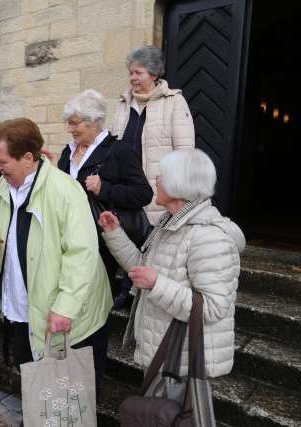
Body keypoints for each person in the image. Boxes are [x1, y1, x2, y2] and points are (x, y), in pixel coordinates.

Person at [0, 118, 113, 395]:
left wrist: (65, 306)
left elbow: (82, 254)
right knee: (37, 382)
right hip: (25, 306)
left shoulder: (65, 191)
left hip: (65, 311)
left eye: (2, 161)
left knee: (72, 394)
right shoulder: (5, 183)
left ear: (28, 158)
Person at [99, 148, 244, 379]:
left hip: (184, 363)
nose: (156, 181)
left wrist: (157, 284)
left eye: (162, 176)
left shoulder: (209, 237)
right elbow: (141, 268)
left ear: (179, 184)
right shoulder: (169, 225)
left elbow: (212, 308)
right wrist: (114, 233)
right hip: (163, 353)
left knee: (170, 415)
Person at [57, 89, 153, 304]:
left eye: (75, 123)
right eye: (69, 123)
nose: (70, 129)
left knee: (96, 301)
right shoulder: (67, 152)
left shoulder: (119, 151)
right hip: (70, 237)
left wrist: (105, 190)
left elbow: (143, 194)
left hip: (101, 242)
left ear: (93, 121)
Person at [110, 45, 195, 224]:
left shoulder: (174, 102)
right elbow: (112, 147)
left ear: (154, 74)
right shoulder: (123, 105)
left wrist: (173, 191)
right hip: (125, 191)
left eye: (138, 73)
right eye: (131, 73)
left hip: (158, 194)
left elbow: (184, 152)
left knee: (153, 246)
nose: (133, 78)